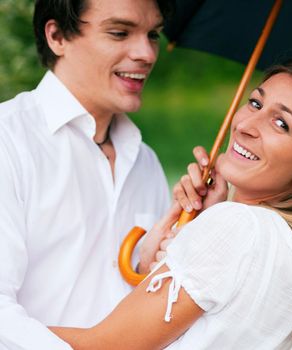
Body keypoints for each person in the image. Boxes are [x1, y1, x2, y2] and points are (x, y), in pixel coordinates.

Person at [51, 56, 292, 350]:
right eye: (256, 103)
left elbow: (101, 346)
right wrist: (199, 228)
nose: (245, 126)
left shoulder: (237, 228)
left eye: (281, 123)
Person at [0, 0, 176, 348]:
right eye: (119, 33)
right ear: (57, 36)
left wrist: (152, 265)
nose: (146, 53)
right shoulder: (8, 141)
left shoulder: (146, 162)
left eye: (153, 34)